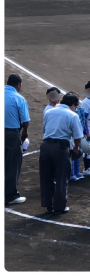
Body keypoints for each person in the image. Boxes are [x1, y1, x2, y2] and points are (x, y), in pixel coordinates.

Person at [39, 91, 83, 214]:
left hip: (45, 146)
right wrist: (76, 148)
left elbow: (44, 129)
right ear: (73, 105)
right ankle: (59, 207)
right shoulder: (72, 115)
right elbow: (78, 136)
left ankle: (48, 205)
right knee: (61, 177)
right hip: (60, 148)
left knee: (46, 176)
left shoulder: (49, 112)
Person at [5, 73, 30, 205]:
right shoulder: (18, 98)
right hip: (11, 135)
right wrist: (24, 133)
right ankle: (10, 195)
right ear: (18, 85)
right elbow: (25, 121)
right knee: (12, 164)